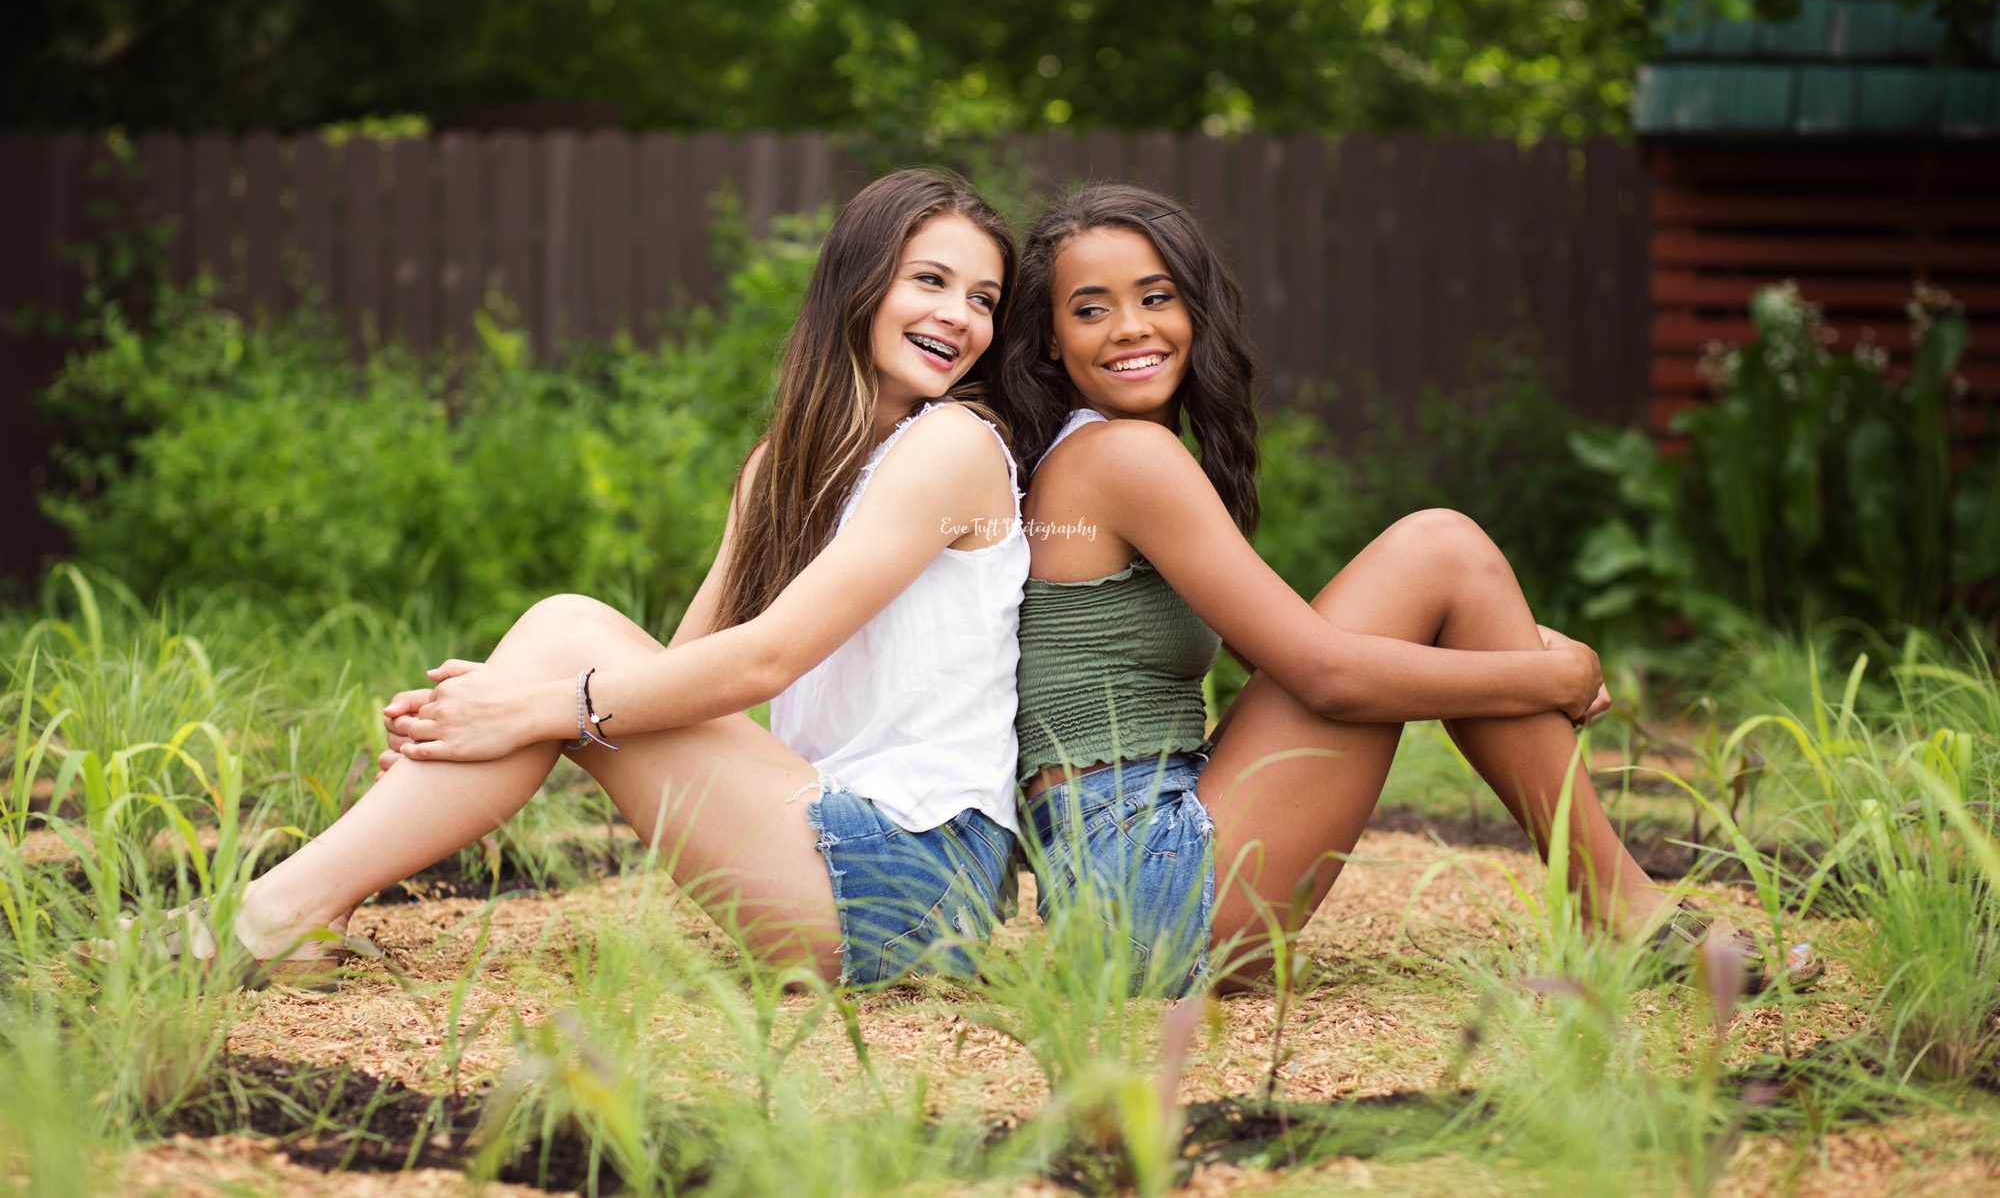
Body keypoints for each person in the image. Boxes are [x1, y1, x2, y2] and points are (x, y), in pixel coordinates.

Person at [144, 169, 1030, 988]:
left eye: (983, 298)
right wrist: (477, 746)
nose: (960, 315)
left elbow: (765, 661)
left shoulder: (952, 447)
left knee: (565, 635)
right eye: (931, 280)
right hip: (825, 851)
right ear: (858, 284)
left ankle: (278, 912)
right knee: (558, 658)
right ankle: (302, 906)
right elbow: (666, 685)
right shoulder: (783, 465)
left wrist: (523, 710)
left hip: (915, 878)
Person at [993, 182, 1820, 997]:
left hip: (1123, 897)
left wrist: (1511, 651)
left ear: (1194, 311)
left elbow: (1278, 651)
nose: (1131, 327)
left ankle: (1616, 901)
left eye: (1156, 296)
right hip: (1149, 892)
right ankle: (1622, 906)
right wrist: (1549, 674)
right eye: (1091, 308)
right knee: (1443, 549)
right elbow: (1328, 676)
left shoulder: (1108, 455)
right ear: (1053, 341)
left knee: (1441, 567)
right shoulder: (1123, 458)